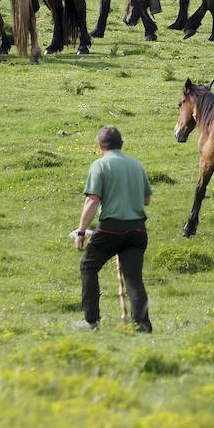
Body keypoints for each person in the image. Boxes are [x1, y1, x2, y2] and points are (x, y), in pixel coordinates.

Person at [73, 125, 153, 332]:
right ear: (122, 144)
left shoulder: (99, 166)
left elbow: (92, 200)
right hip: (137, 229)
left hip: (111, 228)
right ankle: (142, 325)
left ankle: (91, 321)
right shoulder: (137, 165)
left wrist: (81, 231)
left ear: (100, 146)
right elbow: (146, 200)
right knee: (134, 278)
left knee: (88, 268)